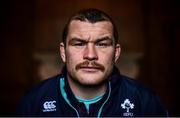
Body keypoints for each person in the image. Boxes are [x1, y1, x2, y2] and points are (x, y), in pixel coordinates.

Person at [16, 8, 168, 117]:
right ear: (63, 52)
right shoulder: (33, 102)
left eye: (102, 44)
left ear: (116, 53)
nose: (90, 55)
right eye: (79, 43)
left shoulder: (145, 101)